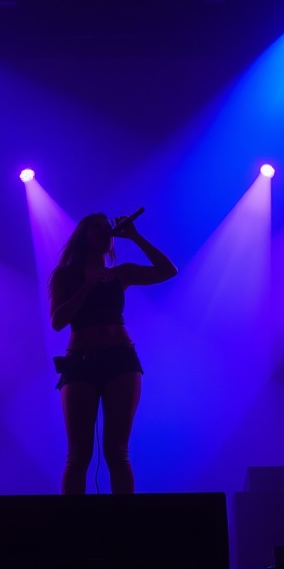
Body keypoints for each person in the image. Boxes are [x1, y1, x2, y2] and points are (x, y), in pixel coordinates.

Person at [49, 212, 177, 495]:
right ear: (83, 236)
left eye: (107, 228)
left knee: (117, 450)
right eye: (96, 227)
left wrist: (135, 236)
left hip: (121, 361)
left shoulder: (121, 274)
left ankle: (123, 521)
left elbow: (168, 270)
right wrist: (88, 285)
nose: (104, 231)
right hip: (80, 363)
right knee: (78, 454)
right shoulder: (65, 275)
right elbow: (57, 321)